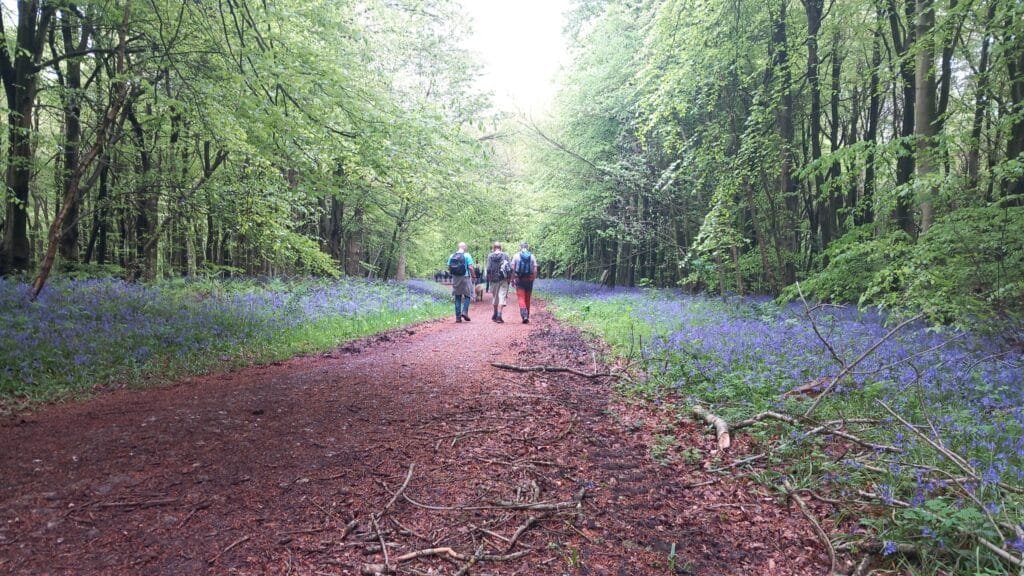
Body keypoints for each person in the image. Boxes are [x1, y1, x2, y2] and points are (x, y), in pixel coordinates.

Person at [511, 241, 538, 323]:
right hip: (529, 280)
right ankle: (527, 315)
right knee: (527, 298)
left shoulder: (516, 256)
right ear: (527, 247)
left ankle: (524, 315)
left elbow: (512, 268)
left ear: (520, 247)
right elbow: (535, 268)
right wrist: (533, 277)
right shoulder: (532, 256)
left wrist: (512, 279)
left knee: (521, 297)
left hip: (519, 279)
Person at [446, 242, 474, 323]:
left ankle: (458, 317)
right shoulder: (467, 255)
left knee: (457, 297)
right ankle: (464, 312)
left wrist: (454, 274)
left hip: (455, 278)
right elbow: (470, 267)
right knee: (467, 295)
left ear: (458, 247)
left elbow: (449, 267)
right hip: (465, 277)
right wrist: (474, 276)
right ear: (464, 247)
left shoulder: (452, 256)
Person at [485, 242, 512, 323]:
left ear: (494, 248)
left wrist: (489, 280)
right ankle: (499, 315)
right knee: (502, 296)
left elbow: (488, 269)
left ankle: (495, 313)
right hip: (503, 279)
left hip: (494, 280)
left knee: (495, 297)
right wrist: (508, 279)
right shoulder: (505, 255)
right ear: (501, 248)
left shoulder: (490, 256)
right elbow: (510, 268)